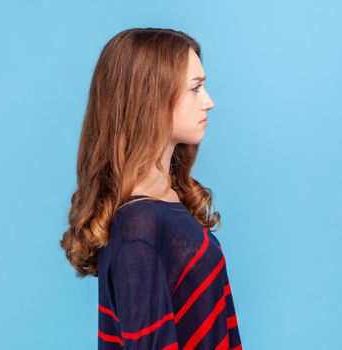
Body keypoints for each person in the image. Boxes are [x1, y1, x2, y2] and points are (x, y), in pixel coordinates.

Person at [60, 27, 242, 349]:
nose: (209, 102)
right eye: (195, 88)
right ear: (151, 99)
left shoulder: (167, 201)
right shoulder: (138, 226)